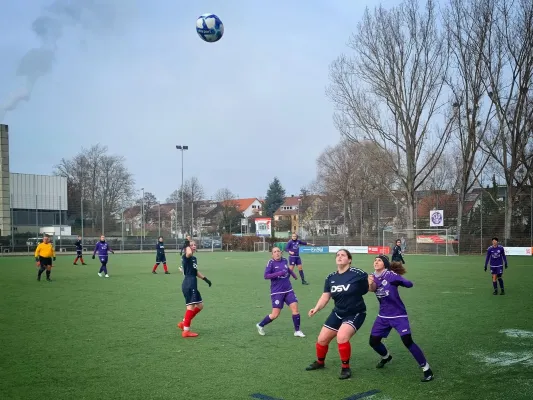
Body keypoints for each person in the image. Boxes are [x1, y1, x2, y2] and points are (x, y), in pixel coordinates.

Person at [305, 249, 375, 379]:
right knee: (322, 339)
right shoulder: (331, 277)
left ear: (349, 260)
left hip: (355, 313)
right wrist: (316, 308)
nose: (339, 257)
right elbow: (326, 296)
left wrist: (371, 284)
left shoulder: (358, 273)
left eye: (343, 255)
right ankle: (320, 362)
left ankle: (345, 368)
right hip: (338, 312)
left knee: (342, 337)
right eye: (337, 255)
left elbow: (372, 288)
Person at [367, 255, 434, 382]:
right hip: (383, 316)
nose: (376, 262)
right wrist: (370, 283)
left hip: (398, 315)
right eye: (375, 260)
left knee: (407, 341)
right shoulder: (372, 276)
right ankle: (386, 356)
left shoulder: (391, 275)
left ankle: (427, 369)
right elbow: (372, 289)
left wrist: (399, 279)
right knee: (373, 342)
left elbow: (409, 284)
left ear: (385, 264)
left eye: (379, 260)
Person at [256, 247, 305, 338]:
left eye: (278, 251)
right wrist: (279, 273)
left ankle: (297, 331)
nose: (277, 253)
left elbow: (288, 269)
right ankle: (260, 325)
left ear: (281, 253)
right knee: (275, 314)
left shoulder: (285, 260)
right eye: (275, 252)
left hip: (288, 290)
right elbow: (266, 276)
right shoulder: (271, 263)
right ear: (272, 254)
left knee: (295, 309)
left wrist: (294, 275)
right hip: (277, 292)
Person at [176, 240, 212, 338]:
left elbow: (195, 272)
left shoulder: (194, 258)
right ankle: (186, 331)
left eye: (195, 244)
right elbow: (188, 253)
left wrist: (205, 279)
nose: (194, 246)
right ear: (187, 247)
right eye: (191, 245)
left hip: (193, 283)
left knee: (200, 305)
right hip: (189, 284)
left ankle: (184, 323)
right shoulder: (186, 256)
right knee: (190, 307)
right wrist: (187, 246)